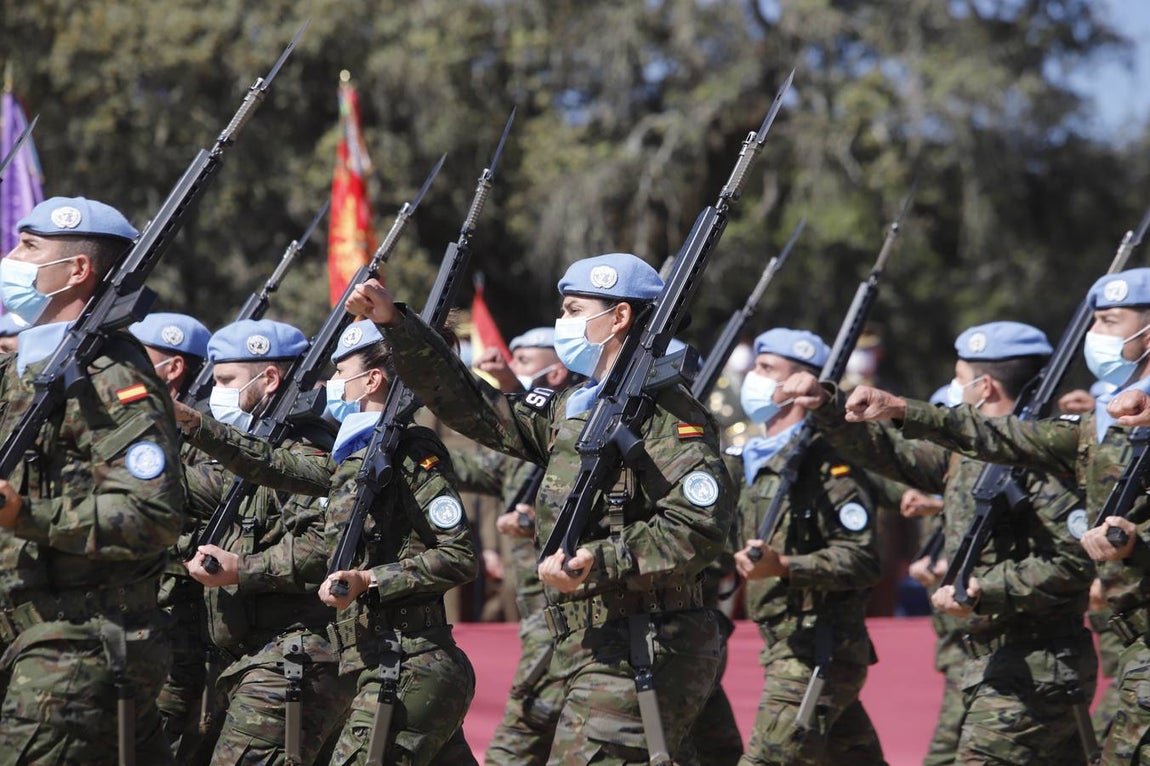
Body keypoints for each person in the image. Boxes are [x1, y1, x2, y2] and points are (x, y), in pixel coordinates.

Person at [349, 252, 735, 764]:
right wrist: (396, 325)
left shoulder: (668, 414)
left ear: (619, 317)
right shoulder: (578, 407)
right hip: (590, 640)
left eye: (575, 309)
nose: (564, 323)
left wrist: (600, 559)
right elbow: (474, 407)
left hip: (645, 643)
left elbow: (698, 526)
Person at [785, 318, 1111, 762]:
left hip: (1039, 664)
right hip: (988, 660)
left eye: (959, 381)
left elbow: (1076, 561)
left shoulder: (1045, 459)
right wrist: (827, 404)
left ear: (986, 387)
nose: (955, 393)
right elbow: (885, 451)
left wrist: (986, 590)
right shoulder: (965, 455)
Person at [177, 319, 480, 765]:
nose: (331, 384)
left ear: (372, 379)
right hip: (375, 659)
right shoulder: (355, 455)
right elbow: (271, 464)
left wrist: (369, 578)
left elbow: (460, 555)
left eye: (340, 372)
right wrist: (197, 425)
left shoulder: (412, 452)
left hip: (411, 661)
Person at [0, 196, 185, 763]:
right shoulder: (21, 369)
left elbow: (153, 515)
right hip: (24, 629)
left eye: (29, 247)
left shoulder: (112, 380)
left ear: (77, 270)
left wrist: (22, 515)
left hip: (76, 641)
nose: (11, 257)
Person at [180, 318, 353, 765]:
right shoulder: (251, 449)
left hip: (295, 655)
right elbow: (189, 487)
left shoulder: (309, 455)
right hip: (247, 654)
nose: (216, 393)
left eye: (225, 381)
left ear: (269, 378)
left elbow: (325, 551)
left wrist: (241, 569)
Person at [726, 328, 885, 766]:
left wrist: (785, 566)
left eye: (766, 369)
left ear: (800, 385)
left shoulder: (829, 461)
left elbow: (863, 557)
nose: (753, 378)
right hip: (786, 645)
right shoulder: (753, 458)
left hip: (819, 649)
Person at [451, 326, 575, 766]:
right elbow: (472, 468)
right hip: (532, 611)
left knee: (524, 723)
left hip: (560, 611)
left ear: (557, 374)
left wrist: (533, 520)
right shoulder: (523, 446)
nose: (507, 369)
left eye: (523, 363)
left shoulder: (574, 442)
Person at [129, 312, 218, 759]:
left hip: (178, 623)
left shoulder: (205, 433)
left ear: (174, 367)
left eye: (139, 355)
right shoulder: (133, 419)